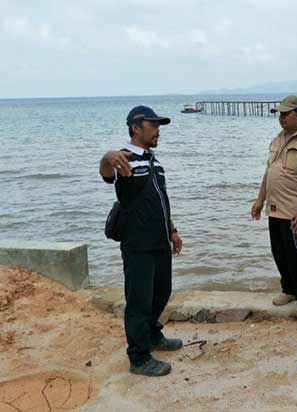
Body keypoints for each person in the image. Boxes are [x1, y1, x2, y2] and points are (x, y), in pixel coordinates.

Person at [99, 106, 184, 377]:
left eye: (159, 125)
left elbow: (161, 201)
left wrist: (172, 229)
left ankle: (152, 334)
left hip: (159, 241)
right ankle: (138, 357)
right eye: (153, 124)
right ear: (136, 127)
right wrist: (106, 157)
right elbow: (105, 175)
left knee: (162, 292)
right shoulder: (123, 159)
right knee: (138, 301)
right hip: (138, 245)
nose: (158, 130)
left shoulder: (153, 161)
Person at [251, 95, 297, 318]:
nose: (281, 118)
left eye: (286, 114)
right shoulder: (277, 140)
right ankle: (288, 289)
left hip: (295, 213)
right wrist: (259, 200)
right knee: (279, 252)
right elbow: (269, 172)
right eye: (280, 114)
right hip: (274, 210)